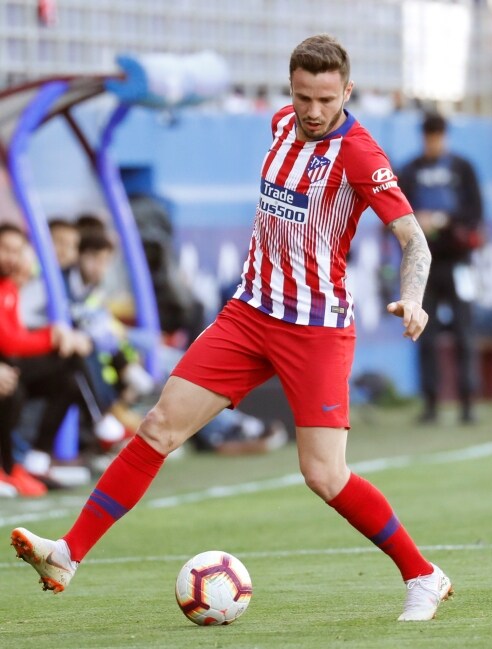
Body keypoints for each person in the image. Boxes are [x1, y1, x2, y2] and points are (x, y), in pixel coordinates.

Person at [10, 34, 451, 623]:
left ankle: (422, 575)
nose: (312, 111)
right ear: (289, 90)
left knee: (323, 475)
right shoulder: (278, 125)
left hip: (314, 329)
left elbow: (413, 240)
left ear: (346, 91)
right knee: (159, 426)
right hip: (248, 314)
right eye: (302, 97)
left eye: (325, 99)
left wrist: (412, 299)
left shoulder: (360, 155)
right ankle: (67, 554)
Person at [397, 111, 484, 424]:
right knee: (424, 333)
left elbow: (475, 213)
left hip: (457, 262)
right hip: (423, 268)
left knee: (464, 332)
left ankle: (467, 402)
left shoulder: (462, 169)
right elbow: (396, 213)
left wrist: (445, 222)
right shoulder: (409, 171)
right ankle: (431, 403)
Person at [0, 223, 94, 493]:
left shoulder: (8, 287)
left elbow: (13, 338)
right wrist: (53, 336)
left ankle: (33, 460)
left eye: (17, 251)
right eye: (5, 249)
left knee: (66, 381)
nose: (12, 258)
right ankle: (101, 422)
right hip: (9, 366)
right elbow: (10, 342)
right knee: (66, 359)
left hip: (11, 368)